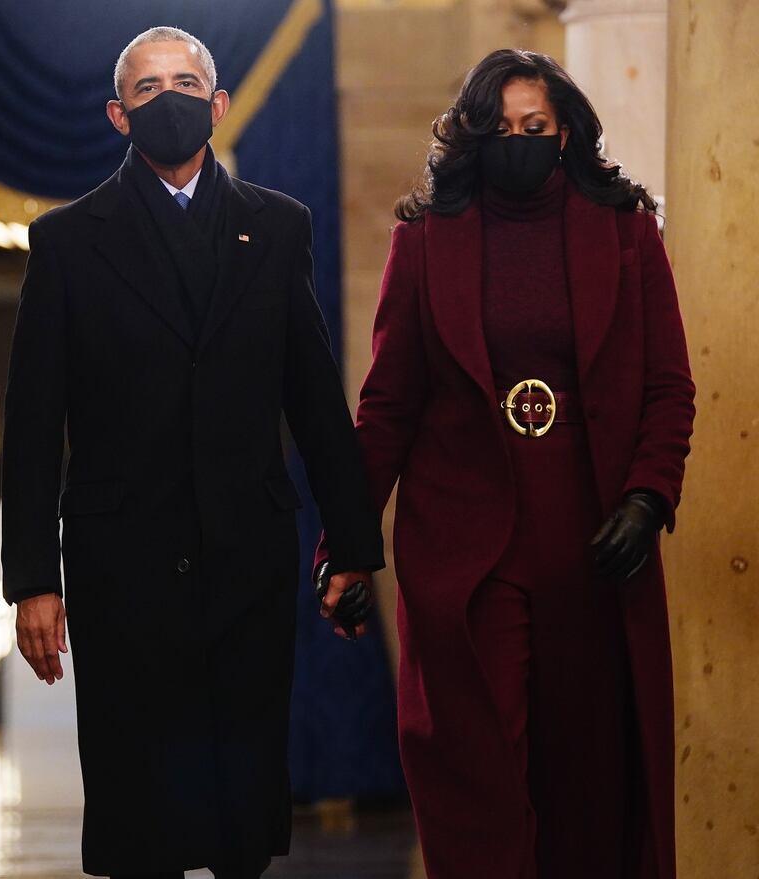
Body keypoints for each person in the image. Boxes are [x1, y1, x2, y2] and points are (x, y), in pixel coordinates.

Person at [1, 26, 383, 879]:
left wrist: (353, 548)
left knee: (242, 809)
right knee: (144, 816)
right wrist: (32, 578)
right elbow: (31, 423)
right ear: (118, 114)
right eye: (146, 88)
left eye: (184, 82)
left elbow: (315, 400)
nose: (166, 98)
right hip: (120, 566)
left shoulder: (278, 228)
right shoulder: (67, 241)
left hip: (246, 555)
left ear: (217, 105)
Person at [316, 49, 695, 879]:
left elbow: (669, 386)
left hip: (594, 553)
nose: (518, 141)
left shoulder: (627, 230)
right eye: (499, 129)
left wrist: (647, 496)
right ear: (469, 139)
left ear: (567, 134)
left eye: (536, 128)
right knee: (475, 780)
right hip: (465, 557)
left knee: (589, 789)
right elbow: (385, 408)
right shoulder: (424, 241)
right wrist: (344, 543)